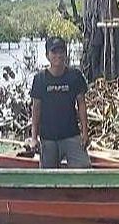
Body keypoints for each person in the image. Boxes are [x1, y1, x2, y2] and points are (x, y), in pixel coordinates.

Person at [28, 37, 92, 169]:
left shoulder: (75, 76)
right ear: (47, 55)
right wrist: (34, 138)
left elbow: (81, 104)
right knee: (48, 177)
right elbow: (36, 110)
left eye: (61, 51)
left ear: (66, 54)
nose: (58, 55)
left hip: (71, 135)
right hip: (48, 138)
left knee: (84, 169)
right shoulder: (40, 79)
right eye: (54, 52)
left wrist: (85, 133)